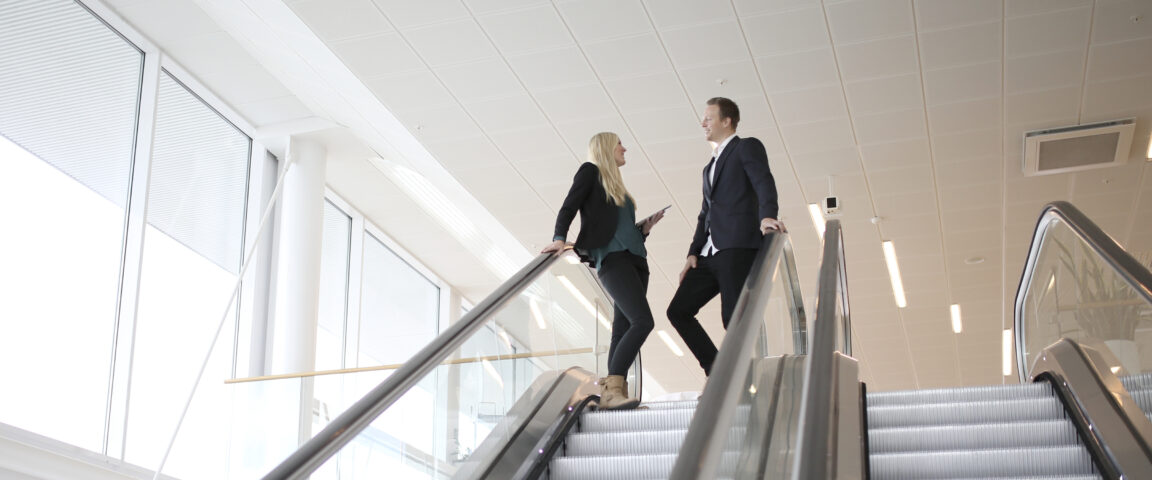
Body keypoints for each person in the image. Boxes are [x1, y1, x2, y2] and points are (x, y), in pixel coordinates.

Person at [544, 132, 664, 410]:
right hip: (613, 261)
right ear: (606, 148)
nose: (624, 148)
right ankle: (611, 388)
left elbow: (618, 229)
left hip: (636, 260)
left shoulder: (617, 186)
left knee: (622, 328)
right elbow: (569, 205)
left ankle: (616, 394)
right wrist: (560, 237)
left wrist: (642, 229)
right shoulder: (590, 172)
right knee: (642, 321)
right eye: (619, 143)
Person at [667, 97, 785, 377]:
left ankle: (740, 378)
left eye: (709, 117)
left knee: (732, 317)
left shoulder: (747, 147)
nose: (703, 123)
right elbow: (704, 213)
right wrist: (692, 252)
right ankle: (716, 368)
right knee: (678, 311)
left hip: (736, 245)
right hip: (708, 254)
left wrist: (767, 215)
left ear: (726, 120)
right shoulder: (709, 167)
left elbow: (763, 181)